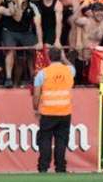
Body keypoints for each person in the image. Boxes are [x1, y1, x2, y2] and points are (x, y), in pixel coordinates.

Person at [32, 46, 76, 174]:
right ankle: (61, 167)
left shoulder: (42, 73)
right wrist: (64, 58)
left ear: (49, 57)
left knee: (45, 140)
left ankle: (43, 167)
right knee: (61, 141)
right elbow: (72, 66)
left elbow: (36, 95)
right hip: (65, 111)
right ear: (60, 56)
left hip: (48, 112)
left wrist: (36, 108)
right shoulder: (69, 70)